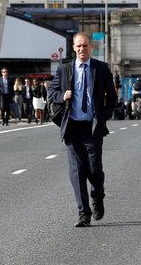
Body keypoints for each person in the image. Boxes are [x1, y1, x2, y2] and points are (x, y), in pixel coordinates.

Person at [48, 33, 118, 227]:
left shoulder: (101, 69)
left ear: (91, 47)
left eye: (85, 46)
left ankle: (97, 196)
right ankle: (83, 214)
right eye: (78, 46)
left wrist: (103, 115)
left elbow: (112, 98)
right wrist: (63, 95)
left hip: (93, 128)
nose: (82, 49)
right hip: (72, 128)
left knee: (95, 170)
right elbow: (51, 93)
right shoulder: (64, 70)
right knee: (77, 171)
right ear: (73, 47)